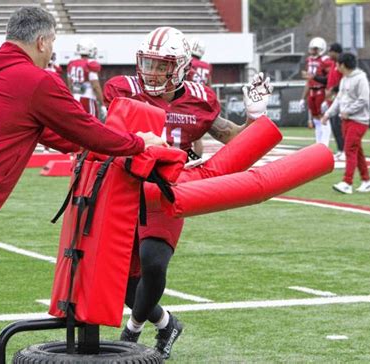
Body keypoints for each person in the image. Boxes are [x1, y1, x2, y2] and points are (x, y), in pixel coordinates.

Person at [0, 7, 165, 363]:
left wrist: (91, 151)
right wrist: (139, 144)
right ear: (41, 41)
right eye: (53, 42)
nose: (52, 51)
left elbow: (54, 133)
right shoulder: (35, 80)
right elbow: (85, 128)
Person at [103, 26, 272, 359]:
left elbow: (234, 139)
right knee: (124, 279)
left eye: (160, 65)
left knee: (154, 262)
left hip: (168, 187)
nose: (151, 72)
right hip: (126, 187)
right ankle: (167, 323)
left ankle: (132, 331)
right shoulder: (122, 90)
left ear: (179, 67)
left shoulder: (200, 99)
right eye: (147, 63)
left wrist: (255, 116)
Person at [321, 52, 370, 194]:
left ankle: (347, 182)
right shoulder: (345, 79)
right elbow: (338, 99)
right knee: (357, 152)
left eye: (338, 64)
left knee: (350, 150)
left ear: (343, 65)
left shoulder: (361, 78)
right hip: (346, 120)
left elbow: (363, 99)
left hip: (359, 121)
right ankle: (367, 181)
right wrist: (327, 114)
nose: (336, 67)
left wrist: (349, 111)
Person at [300, 37, 332, 146]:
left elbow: (329, 80)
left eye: (315, 49)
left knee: (323, 117)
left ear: (321, 49)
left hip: (321, 91)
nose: (313, 51)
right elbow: (309, 80)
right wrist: (302, 98)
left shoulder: (326, 60)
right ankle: (319, 143)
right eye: (312, 49)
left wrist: (327, 98)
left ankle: (325, 144)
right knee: (315, 118)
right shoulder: (309, 60)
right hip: (312, 92)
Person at [67, 38, 107, 121]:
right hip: (87, 100)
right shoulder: (90, 64)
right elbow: (95, 86)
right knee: (91, 125)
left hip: (74, 99)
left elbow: (70, 85)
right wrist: (102, 104)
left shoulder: (72, 64)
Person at [186, 37, 213, 157]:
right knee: (197, 136)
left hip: (187, 99)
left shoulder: (187, 62)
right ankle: (197, 160)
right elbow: (209, 86)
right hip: (201, 100)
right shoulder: (207, 66)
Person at [325, 43, 345, 160]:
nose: (329, 54)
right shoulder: (333, 64)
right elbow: (329, 80)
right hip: (332, 99)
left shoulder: (342, 64)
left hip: (340, 99)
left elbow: (343, 81)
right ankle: (340, 149)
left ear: (336, 52)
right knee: (334, 125)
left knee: (338, 125)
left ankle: (344, 150)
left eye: (330, 51)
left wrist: (333, 90)